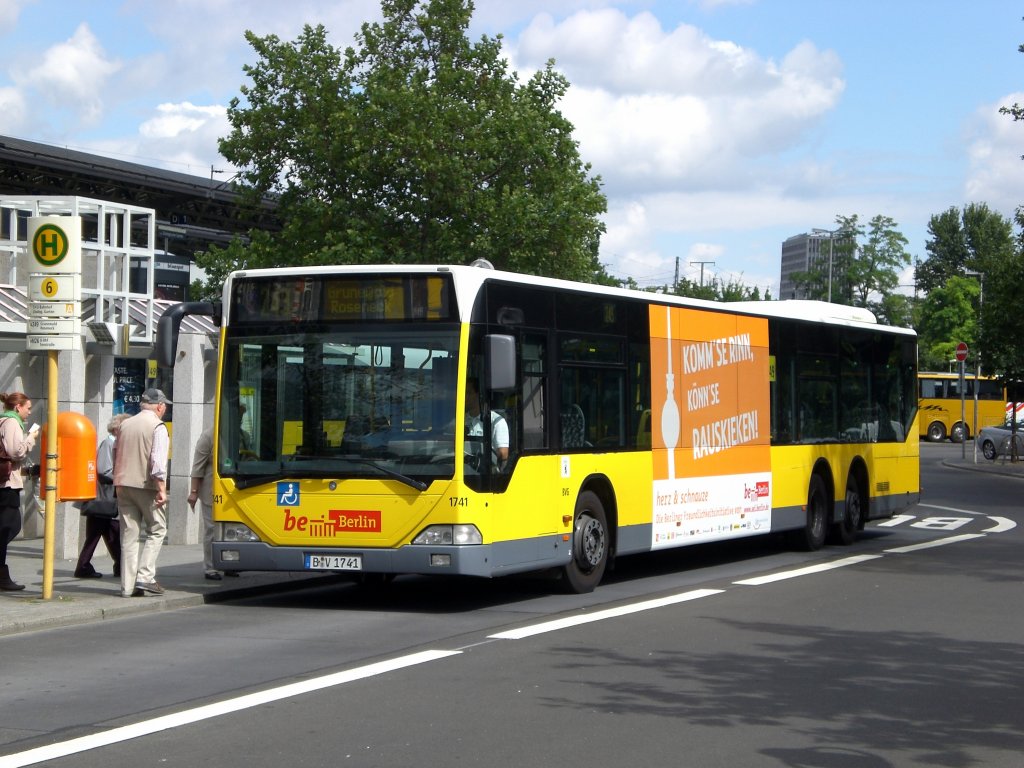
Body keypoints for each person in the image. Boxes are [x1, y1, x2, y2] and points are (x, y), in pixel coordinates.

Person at [113, 388, 171, 598]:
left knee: (129, 534)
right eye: (164, 406)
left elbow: (115, 453)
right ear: (159, 406)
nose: (164, 409)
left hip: (122, 483)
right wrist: (162, 489)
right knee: (157, 528)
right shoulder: (158, 426)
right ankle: (145, 576)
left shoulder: (125, 424)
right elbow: (157, 461)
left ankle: (127, 587)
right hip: (145, 485)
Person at [74, 414, 129, 578]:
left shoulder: (116, 443)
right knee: (101, 532)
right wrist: (121, 479)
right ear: (118, 428)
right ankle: (84, 566)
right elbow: (104, 469)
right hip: (104, 497)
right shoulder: (109, 443)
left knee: (110, 532)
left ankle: (119, 565)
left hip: (107, 499)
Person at [188, 426, 239, 580]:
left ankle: (229, 563)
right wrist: (194, 492)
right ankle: (210, 568)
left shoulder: (238, 433)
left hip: (235, 491)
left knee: (233, 530)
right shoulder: (209, 436)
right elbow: (198, 467)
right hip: (212, 491)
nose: (240, 419)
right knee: (211, 529)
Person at [0, 392, 38, 591]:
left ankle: (3, 575)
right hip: (7, 484)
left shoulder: (3, 421)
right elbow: (16, 452)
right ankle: (2, 576)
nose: (29, 412)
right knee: (10, 526)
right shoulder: (12, 423)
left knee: (6, 527)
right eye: (28, 408)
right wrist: (31, 438)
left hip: (4, 481)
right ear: (18, 407)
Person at [466, 378, 509, 468]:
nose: (464, 396)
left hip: (485, 472)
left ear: (479, 395)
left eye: (468, 393)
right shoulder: (460, 420)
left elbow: (503, 453)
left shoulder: (496, 421)